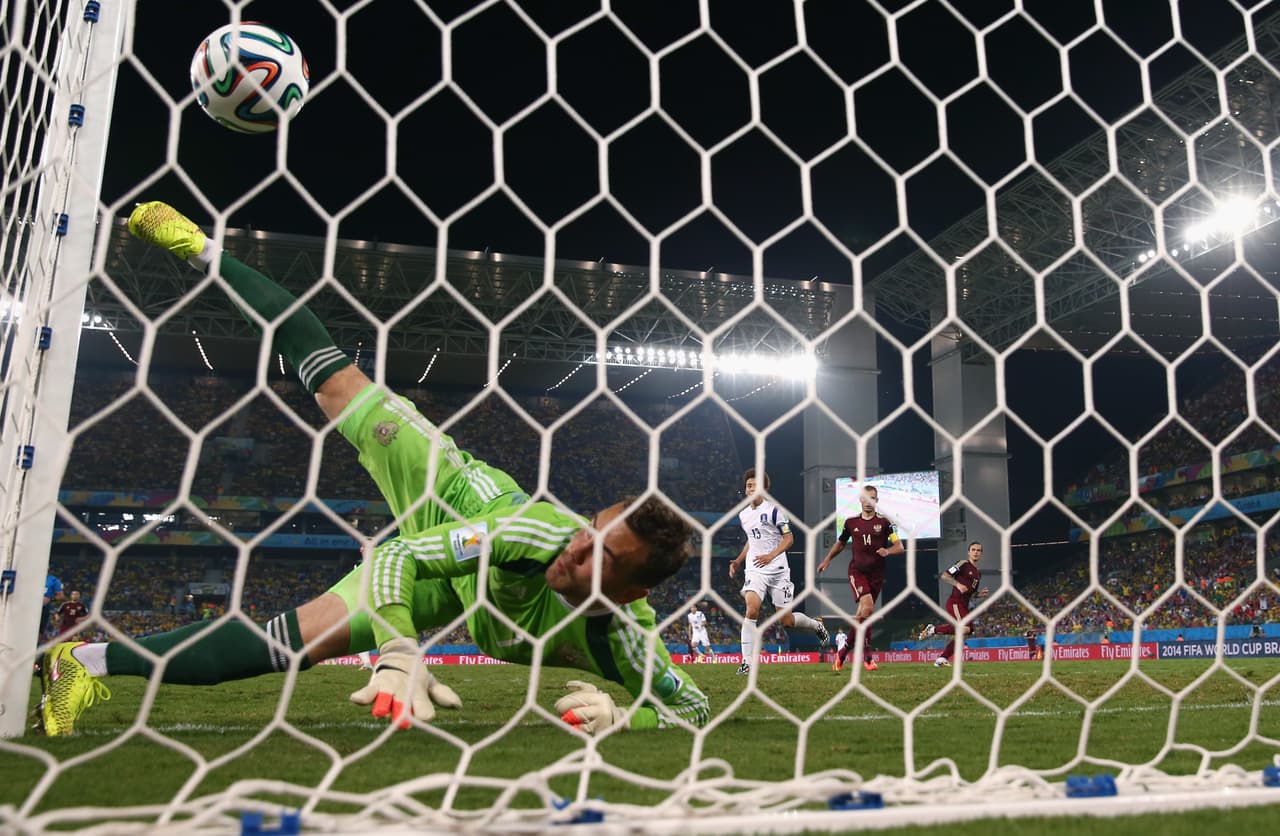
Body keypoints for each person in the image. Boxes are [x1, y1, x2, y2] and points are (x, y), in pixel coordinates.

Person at [36, 200, 709, 738]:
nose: (578, 547)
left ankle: (79, 661)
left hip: (460, 594)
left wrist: (625, 715)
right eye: (592, 530)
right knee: (335, 383)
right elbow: (401, 557)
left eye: (604, 557)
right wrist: (398, 650)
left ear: (632, 595)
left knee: (300, 641)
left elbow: (693, 707)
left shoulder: (622, 642)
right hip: (453, 497)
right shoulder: (537, 534)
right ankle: (205, 252)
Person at [728, 469, 828, 676]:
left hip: (778, 570)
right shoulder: (744, 515)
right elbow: (752, 540)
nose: (751, 488)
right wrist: (738, 561)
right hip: (755, 569)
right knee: (752, 609)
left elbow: (789, 539)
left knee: (787, 621)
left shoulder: (774, 511)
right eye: (748, 485)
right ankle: (746, 662)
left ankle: (816, 625)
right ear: (746, 490)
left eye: (755, 485)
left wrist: (771, 556)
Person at [818, 485, 904, 672]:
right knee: (868, 607)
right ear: (861, 500)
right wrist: (827, 560)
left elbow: (900, 546)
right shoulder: (851, 523)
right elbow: (840, 543)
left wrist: (887, 551)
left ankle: (842, 654)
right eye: (866, 498)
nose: (868, 501)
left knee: (862, 617)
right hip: (857, 572)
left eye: (873, 498)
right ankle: (867, 658)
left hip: (877, 575)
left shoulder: (885, 524)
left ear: (876, 501)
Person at [919, 541, 989, 667]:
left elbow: (971, 593)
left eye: (978, 550)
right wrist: (957, 584)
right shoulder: (963, 564)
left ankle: (942, 658)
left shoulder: (978, 574)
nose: (976, 552)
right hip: (955, 602)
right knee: (963, 629)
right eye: (973, 550)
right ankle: (933, 630)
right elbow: (944, 576)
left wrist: (979, 594)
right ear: (969, 552)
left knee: (967, 631)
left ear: (981, 554)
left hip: (964, 605)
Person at [41, 573, 64, 643]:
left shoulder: (53, 579)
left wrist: (50, 599)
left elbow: (60, 596)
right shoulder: (29, 576)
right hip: (27, 605)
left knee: (39, 630)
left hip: (43, 608)